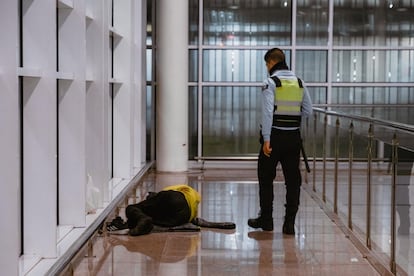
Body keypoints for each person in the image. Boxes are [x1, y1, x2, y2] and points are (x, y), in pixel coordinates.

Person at [248, 48, 313, 235]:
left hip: (274, 138)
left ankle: (266, 220)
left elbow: (268, 113)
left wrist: (267, 140)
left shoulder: (271, 83)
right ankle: (289, 224)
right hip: (293, 139)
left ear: (271, 62)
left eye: (267, 64)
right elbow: (308, 111)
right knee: (293, 181)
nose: (267, 67)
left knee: (266, 178)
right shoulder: (299, 83)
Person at [107, 184, 235, 236]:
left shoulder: (171, 192)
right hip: (183, 216)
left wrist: (153, 197)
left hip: (175, 200)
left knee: (132, 208)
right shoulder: (191, 195)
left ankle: (141, 219)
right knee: (155, 220)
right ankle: (142, 221)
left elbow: (164, 194)